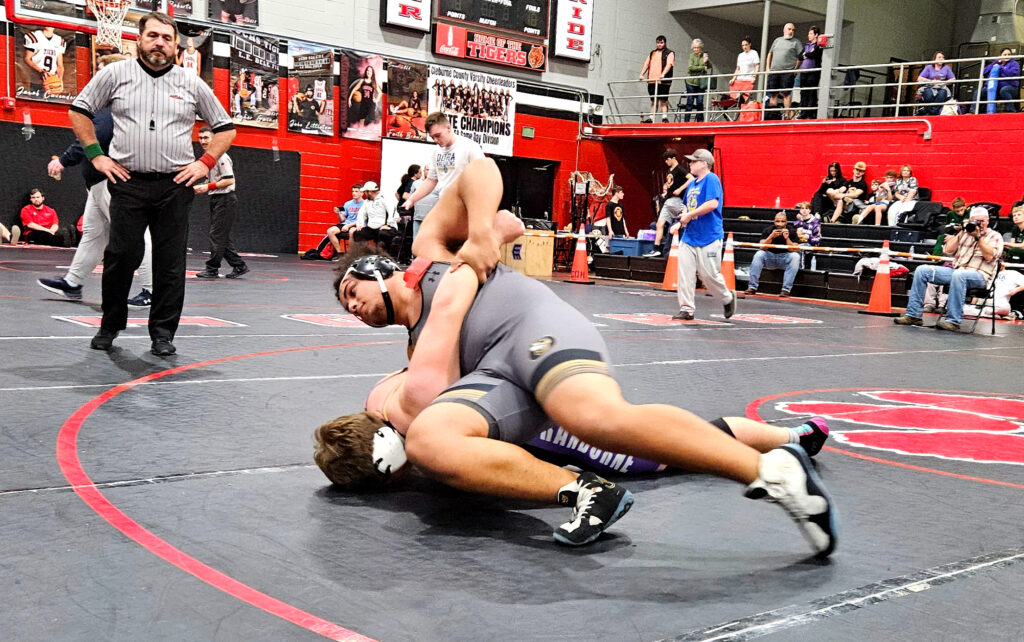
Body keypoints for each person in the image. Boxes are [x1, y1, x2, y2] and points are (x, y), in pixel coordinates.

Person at [331, 158, 837, 555]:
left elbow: (478, 171)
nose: (354, 308)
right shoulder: (419, 347)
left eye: (352, 293)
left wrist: (483, 227)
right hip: (500, 380)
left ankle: (770, 471)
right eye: (347, 308)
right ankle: (587, 491)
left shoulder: (430, 249)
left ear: (377, 268)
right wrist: (485, 249)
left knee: (594, 419)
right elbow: (422, 394)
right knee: (431, 441)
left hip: (533, 333)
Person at [69, 11, 235, 356]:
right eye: (153, 36)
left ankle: (163, 333)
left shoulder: (191, 82)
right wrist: (97, 155)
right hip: (128, 182)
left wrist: (204, 163)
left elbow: (226, 127)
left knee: (169, 263)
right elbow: (79, 110)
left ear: (175, 45)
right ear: (139, 40)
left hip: (175, 186)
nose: (159, 42)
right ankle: (110, 326)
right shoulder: (115, 74)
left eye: (167, 38)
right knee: (120, 257)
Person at [38, 54, 153, 306]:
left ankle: (151, 289)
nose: (95, 77)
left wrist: (63, 161)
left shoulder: (115, 103)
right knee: (93, 233)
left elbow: (93, 137)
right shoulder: (112, 103)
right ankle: (73, 283)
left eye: (100, 72)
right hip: (101, 182)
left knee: (135, 234)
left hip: (113, 180)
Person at [401, 112, 488, 278]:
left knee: (463, 250)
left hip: (465, 209)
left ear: (448, 128)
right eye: (432, 137)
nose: (435, 140)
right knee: (429, 242)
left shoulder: (469, 147)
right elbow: (430, 181)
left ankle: (473, 280)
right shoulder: (436, 153)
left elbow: (483, 174)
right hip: (444, 207)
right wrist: (412, 199)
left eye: (438, 135)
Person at [895, 207, 1003, 332]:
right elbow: (947, 250)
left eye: (982, 221)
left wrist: (978, 238)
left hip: (980, 276)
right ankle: (913, 315)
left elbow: (989, 256)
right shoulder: (965, 234)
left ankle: (953, 321)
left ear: (988, 220)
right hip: (958, 270)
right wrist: (962, 232)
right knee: (922, 270)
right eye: (975, 221)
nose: (979, 224)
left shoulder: (995, 236)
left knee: (959, 274)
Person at [669, 149, 736, 321]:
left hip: (709, 236)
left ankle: (727, 297)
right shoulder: (692, 184)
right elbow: (686, 207)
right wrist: (681, 219)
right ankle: (686, 308)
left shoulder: (712, 179)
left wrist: (689, 215)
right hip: (690, 235)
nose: (690, 164)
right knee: (685, 273)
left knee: (708, 275)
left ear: (704, 163)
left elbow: (712, 204)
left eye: (693, 161)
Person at [194, 126, 248, 280]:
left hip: (225, 199)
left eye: (206, 138)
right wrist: (204, 185)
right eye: (201, 138)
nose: (203, 141)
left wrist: (207, 186)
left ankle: (212, 269)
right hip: (217, 199)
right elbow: (216, 179)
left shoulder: (221, 157)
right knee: (221, 236)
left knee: (217, 235)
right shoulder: (210, 157)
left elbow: (229, 179)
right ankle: (239, 265)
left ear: (214, 139)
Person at [643, 150, 690, 258]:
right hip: (669, 201)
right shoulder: (670, 170)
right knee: (659, 224)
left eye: (668, 160)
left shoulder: (680, 169)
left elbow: (691, 179)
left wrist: (680, 189)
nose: (666, 162)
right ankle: (656, 248)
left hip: (677, 200)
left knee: (681, 222)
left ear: (672, 158)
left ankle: (684, 246)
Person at [745, 211, 802, 297]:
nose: (780, 224)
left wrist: (787, 238)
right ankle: (752, 287)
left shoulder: (792, 231)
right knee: (759, 254)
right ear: (774, 222)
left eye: (782, 221)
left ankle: (786, 290)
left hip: (785, 258)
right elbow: (762, 247)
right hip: (770, 257)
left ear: (786, 222)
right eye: (778, 221)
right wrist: (771, 236)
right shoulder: (768, 230)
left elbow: (793, 249)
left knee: (795, 256)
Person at [764, 23, 802, 120]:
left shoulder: (796, 42)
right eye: (789, 29)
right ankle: (773, 115)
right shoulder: (777, 40)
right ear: (784, 30)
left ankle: (787, 115)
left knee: (786, 93)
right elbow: (770, 54)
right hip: (774, 71)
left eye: (793, 30)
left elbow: (800, 57)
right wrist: (768, 68)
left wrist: (795, 69)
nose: (791, 31)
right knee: (773, 93)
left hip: (787, 71)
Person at [639, 35, 675, 123]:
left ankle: (664, 117)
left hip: (663, 81)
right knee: (653, 100)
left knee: (663, 100)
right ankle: (651, 118)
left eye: (661, 43)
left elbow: (669, 64)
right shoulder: (652, 53)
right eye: (658, 43)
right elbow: (646, 64)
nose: (659, 44)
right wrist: (641, 74)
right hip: (652, 80)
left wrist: (663, 74)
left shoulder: (669, 53)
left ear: (665, 43)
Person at [352, 181, 397, 249]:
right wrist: (360, 224)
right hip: (372, 228)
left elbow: (392, 211)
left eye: (365, 192)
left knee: (383, 234)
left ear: (369, 192)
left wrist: (388, 225)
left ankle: (384, 256)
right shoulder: (367, 202)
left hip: (386, 227)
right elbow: (361, 213)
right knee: (358, 233)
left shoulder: (384, 199)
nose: (364, 194)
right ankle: (363, 254)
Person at [974, 48, 1020, 113]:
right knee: (978, 92)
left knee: (1004, 90)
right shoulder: (996, 63)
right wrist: (995, 63)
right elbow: (984, 72)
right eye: (1005, 54)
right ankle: (973, 110)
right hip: (995, 88)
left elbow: (1011, 74)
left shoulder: (1014, 64)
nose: (1007, 56)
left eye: (1009, 54)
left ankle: (1011, 111)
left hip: (1010, 87)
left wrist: (1001, 68)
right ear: (1001, 55)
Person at [23, 26, 66, 97]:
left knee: (53, 106)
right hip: (37, 80)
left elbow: (60, 65)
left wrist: (60, 80)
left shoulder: (59, 40)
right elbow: (27, 59)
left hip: (52, 80)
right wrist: (41, 71)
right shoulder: (35, 36)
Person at [327, 183, 364, 254]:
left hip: (358, 224)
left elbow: (362, 220)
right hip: (346, 223)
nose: (354, 193)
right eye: (353, 191)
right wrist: (338, 213)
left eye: (356, 191)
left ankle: (351, 254)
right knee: (330, 231)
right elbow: (342, 220)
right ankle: (339, 253)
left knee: (352, 232)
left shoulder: (365, 204)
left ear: (362, 193)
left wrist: (348, 226)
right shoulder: (347, 204)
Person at [916, 51, 955, 116]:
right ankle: (934, 113)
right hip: (929, 86)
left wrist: (944, 83)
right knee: (928, 93)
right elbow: (919, 79)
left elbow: (953, 79)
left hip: (941, 87)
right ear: (934, 59)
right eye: (939, 57)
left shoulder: (946, 68)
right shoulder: (928, 67)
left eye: (943, 57)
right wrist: (931, 81)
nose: (942, 59)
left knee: (942, 93)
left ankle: (929, 112)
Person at [683, 39, 712, 122]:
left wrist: (707, 60)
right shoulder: (691, 56)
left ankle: (700, 121)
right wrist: (703, 66)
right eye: (694, 48)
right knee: (690, 101)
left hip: (700, 83)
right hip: (691, 82)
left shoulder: (703, 55)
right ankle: (686, 121)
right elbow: (690, 68)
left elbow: (709, 66)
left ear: (700, 48)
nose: (695, 49)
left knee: (700, 102)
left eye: (697, 48)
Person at [797, 26, 822, 118]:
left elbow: (814, 54)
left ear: (816, 35)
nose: (809, 35)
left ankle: (811, 113)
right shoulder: (806, 46)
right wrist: (806, 54)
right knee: (803, 93)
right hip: (804, 72)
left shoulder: (818, 46)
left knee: (812, 92)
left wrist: (806, 54)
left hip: (813, 72)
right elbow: (800, 56)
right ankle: (803, 113)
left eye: (811, 34)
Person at [729, 37, 759, 103]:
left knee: (745, 98)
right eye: (743, 45)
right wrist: (733, 78)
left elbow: (757, 66)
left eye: (746, 45)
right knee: (736, 99)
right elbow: (738, 68)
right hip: (740, 79)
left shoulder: (754, 53)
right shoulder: (740, 55)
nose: (744, 47)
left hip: (748, 79)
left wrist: (754, 76)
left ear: (749, 44)